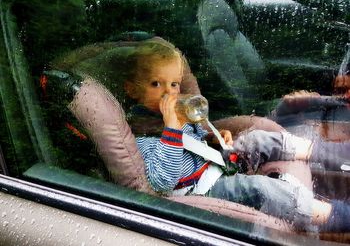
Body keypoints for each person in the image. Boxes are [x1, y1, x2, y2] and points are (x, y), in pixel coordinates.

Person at [120, 37, 348, 231]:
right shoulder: (140, 136)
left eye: (174, 84)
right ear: (132, 90)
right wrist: (172, 128)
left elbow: (195, 140)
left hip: (214, 163)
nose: (169, 92)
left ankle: (327, 152)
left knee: (258, 138)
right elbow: (162, 181)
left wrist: (215, 137)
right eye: (156, 84)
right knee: (261, 189)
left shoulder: (176, 115)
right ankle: (335, 216)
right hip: (200, 188)